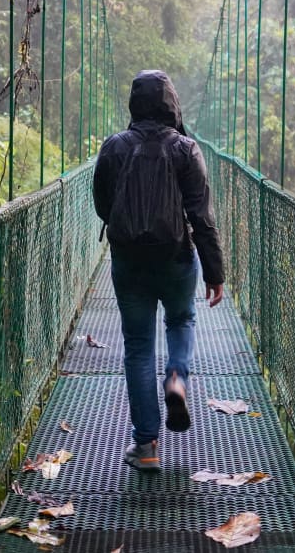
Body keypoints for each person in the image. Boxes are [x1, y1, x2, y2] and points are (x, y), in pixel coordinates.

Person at [93, 69, 226, 472]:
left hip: (129, 259)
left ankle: (146, 446)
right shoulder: (187, 149)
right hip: (176, 258)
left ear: (134, 103)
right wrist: (215, 272)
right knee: (182, 319)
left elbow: (103, 204)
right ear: (172, 102)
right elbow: (201, 217)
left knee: (137, 345)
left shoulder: (114, 147)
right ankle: (177, 379)